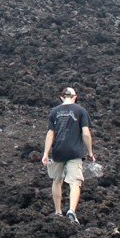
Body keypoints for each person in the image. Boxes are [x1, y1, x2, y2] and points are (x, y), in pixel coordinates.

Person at [41, 86, 95, 223]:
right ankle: (71, 210)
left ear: (61, 97)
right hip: (74, 152)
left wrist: (45, 153)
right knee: (75, 182)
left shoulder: (54, 111)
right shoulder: (81, 111)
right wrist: (90, 152)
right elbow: (86, 133)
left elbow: (50, 134)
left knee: (57, 180)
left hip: (58, 152)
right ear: (75, 97)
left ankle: (58, 212)